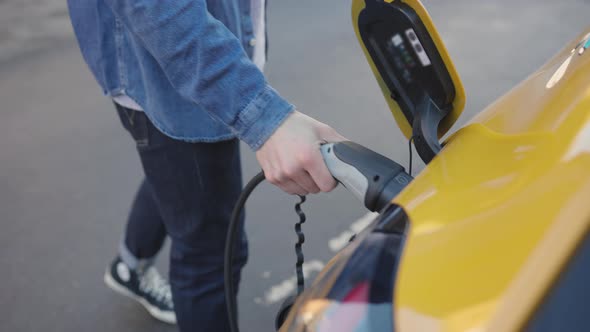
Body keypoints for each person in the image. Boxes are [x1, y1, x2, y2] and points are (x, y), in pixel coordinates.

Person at [67, 0, 345, 331]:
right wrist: (262, 116)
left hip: (188, 61)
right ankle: (132, 266)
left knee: (173, 178)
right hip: (175, 75)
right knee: (211, 257)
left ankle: (130, 265)